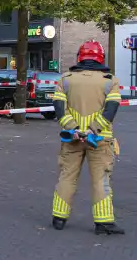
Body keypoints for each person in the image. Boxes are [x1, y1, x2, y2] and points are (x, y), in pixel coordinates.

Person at [50, 40, 124, 235]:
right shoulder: (110, 80)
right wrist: (93, 129)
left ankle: (59, 218)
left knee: (67, 176)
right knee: (101, 180)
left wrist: (73, 128)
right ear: (101, 58)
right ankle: (104, 222)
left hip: (71, 138)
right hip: (99, 140)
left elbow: (59, 108)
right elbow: (111, 109)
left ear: (79, 57)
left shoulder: (65, 79)